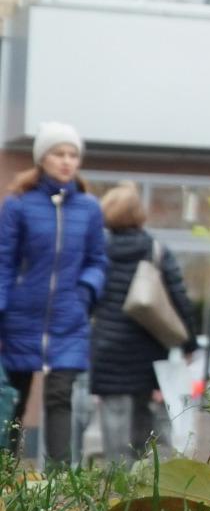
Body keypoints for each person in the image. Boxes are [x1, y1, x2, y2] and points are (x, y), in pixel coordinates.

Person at [0, 123, 108, 467]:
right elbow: (4, 261)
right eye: (58, 153)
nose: (66, 161)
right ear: (42, 159)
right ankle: (6, 474)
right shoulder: (18, 205)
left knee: (60, 394)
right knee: (16, 396)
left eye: (72, 155)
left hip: (68, 316)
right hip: (21, 316)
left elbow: (97, 261)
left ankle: (61, 484)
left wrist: (85, 293)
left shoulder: (89, 208)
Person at [90, 182, 199, 461]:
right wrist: (189, 344)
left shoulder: (97, 252)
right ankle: (145, 487)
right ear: (140, 214)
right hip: (146, 348)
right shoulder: (156, 251)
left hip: (107, 348)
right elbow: (179, 298)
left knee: (114, 419)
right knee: (145, 417)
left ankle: (116, 486)